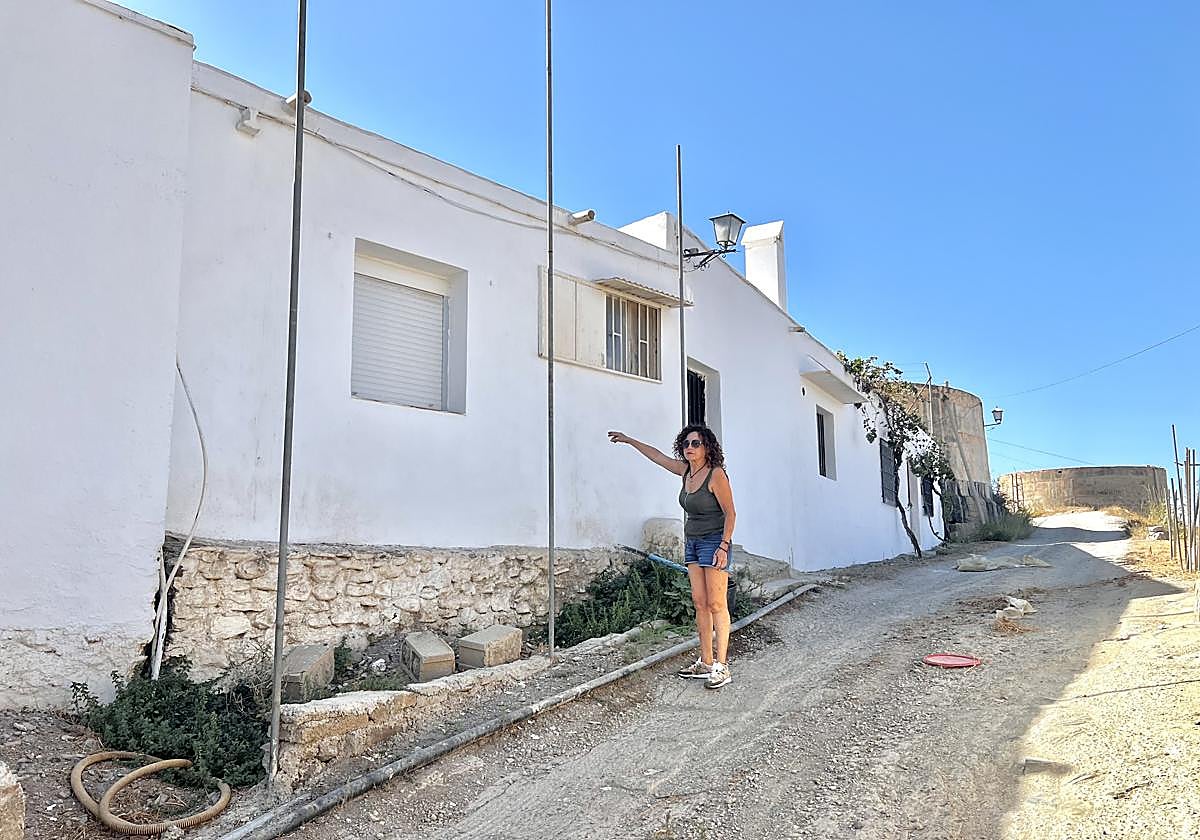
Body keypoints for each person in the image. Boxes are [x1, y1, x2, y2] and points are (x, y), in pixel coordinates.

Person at [607, 426, 737, 689]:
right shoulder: (686, 471)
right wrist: (630, 440)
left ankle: (722, 667)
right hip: (693, 543)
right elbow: (656, 456)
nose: (690, 447)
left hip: (714, 543)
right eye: (687, 443)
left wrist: (723, 546)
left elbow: (731, 513)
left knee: (716, 604)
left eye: (696, 443)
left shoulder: (716, 475)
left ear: (707, 447)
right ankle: (705, 661)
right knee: (700, 603)